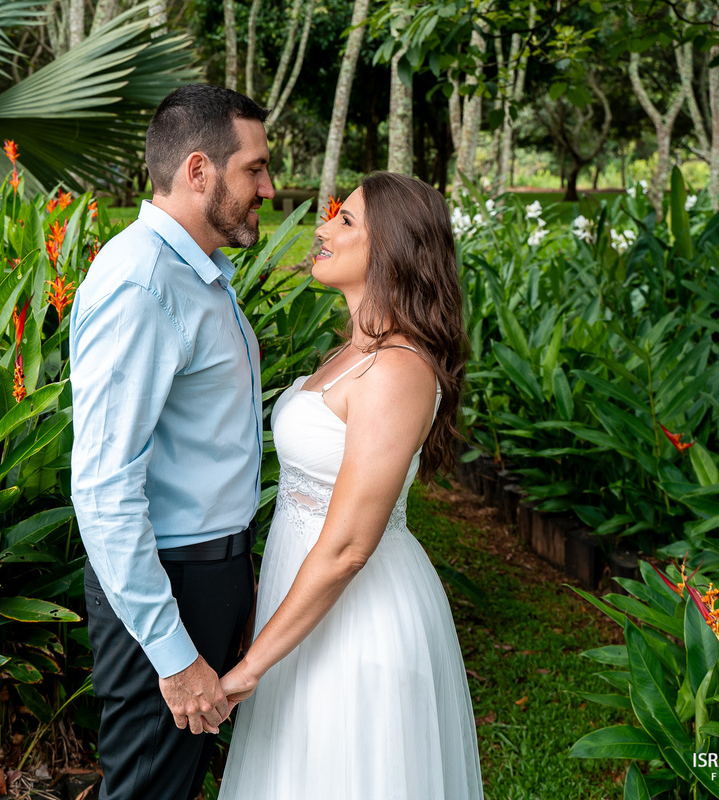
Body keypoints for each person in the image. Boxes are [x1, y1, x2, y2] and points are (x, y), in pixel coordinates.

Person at [216, 172, 486, 799]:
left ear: (392, 249)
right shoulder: (352, 352)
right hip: (301, 606)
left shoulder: (399, 370)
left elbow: (348, 547)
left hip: (362, 620)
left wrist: (250, 667)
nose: (321, 229)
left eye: (346, 222)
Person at [68, 84, 274, 800]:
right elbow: (103, 488)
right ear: (198, 171)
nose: (268, 188)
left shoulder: (196, 273)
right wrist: (171, 651)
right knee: (149, 789)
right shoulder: (144, 283)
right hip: (165, 584)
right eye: (254, 169)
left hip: (203, 573)